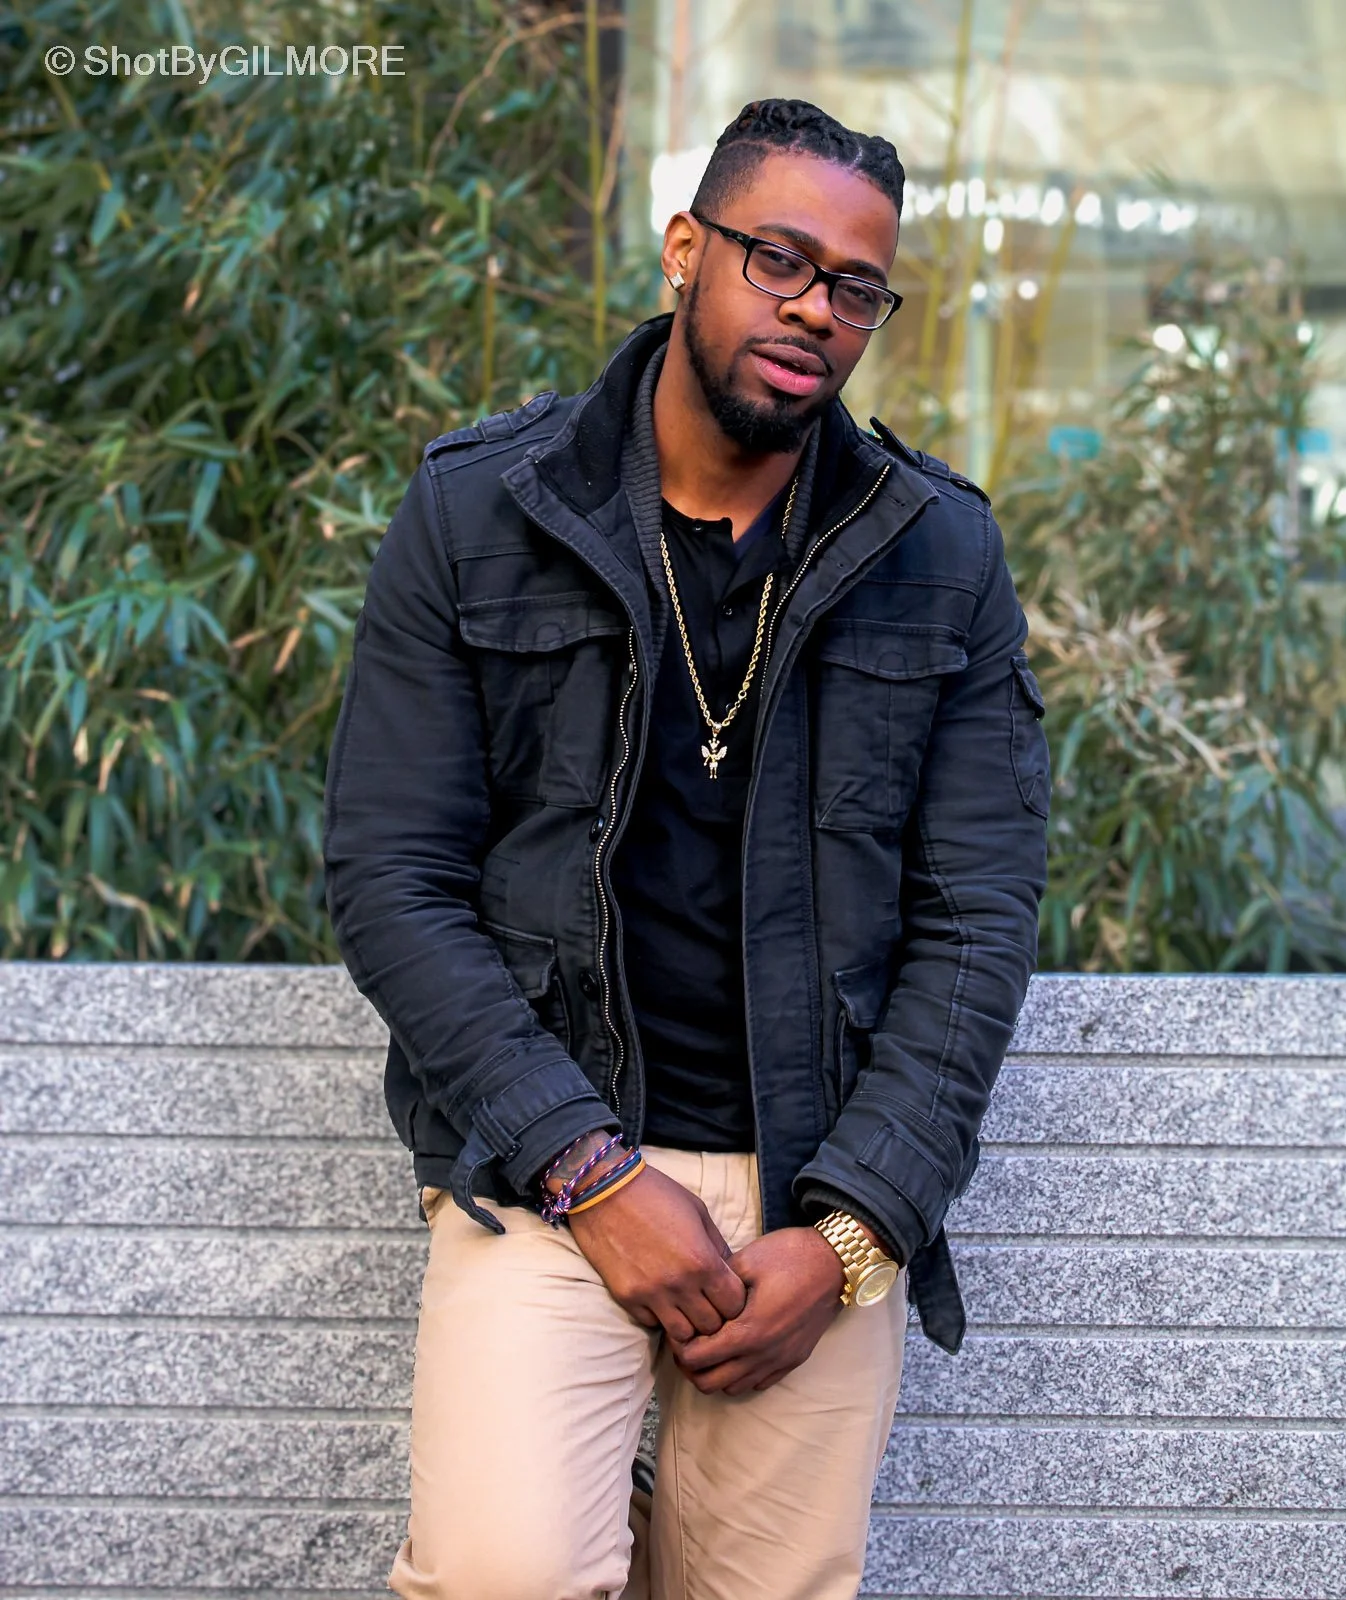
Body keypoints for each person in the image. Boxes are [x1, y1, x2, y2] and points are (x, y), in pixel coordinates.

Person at [323, 97, 1049, 1600]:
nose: (813, 309)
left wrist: (853, 1232)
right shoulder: (477, 512)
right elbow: (390, 878)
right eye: (776, 257)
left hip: (812, 1184)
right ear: (683, 249)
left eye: (855, 286)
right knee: (503, 1574)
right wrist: (590, 1172)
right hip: (544, 1164)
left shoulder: (939, 554)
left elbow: (976, 918)